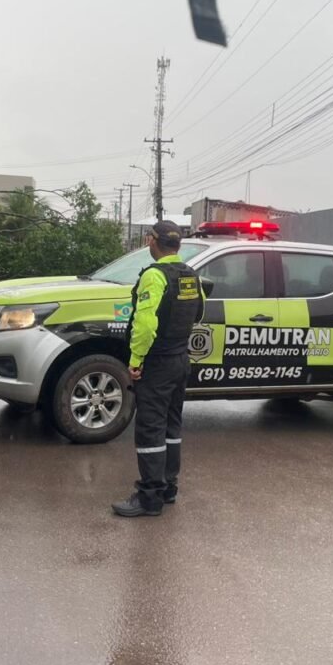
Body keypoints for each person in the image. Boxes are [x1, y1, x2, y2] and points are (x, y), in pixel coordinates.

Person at [112, 220, 204, 518]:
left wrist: (136, 360)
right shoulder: (190, 274)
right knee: (171, 426)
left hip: (158, 362)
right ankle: (168, 488)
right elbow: (199, 310)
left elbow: (145, 323)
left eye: (148, 238)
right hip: (180, 360)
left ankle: (149, 496)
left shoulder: (154, 275)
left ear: (153, 241)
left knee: (151, 428)